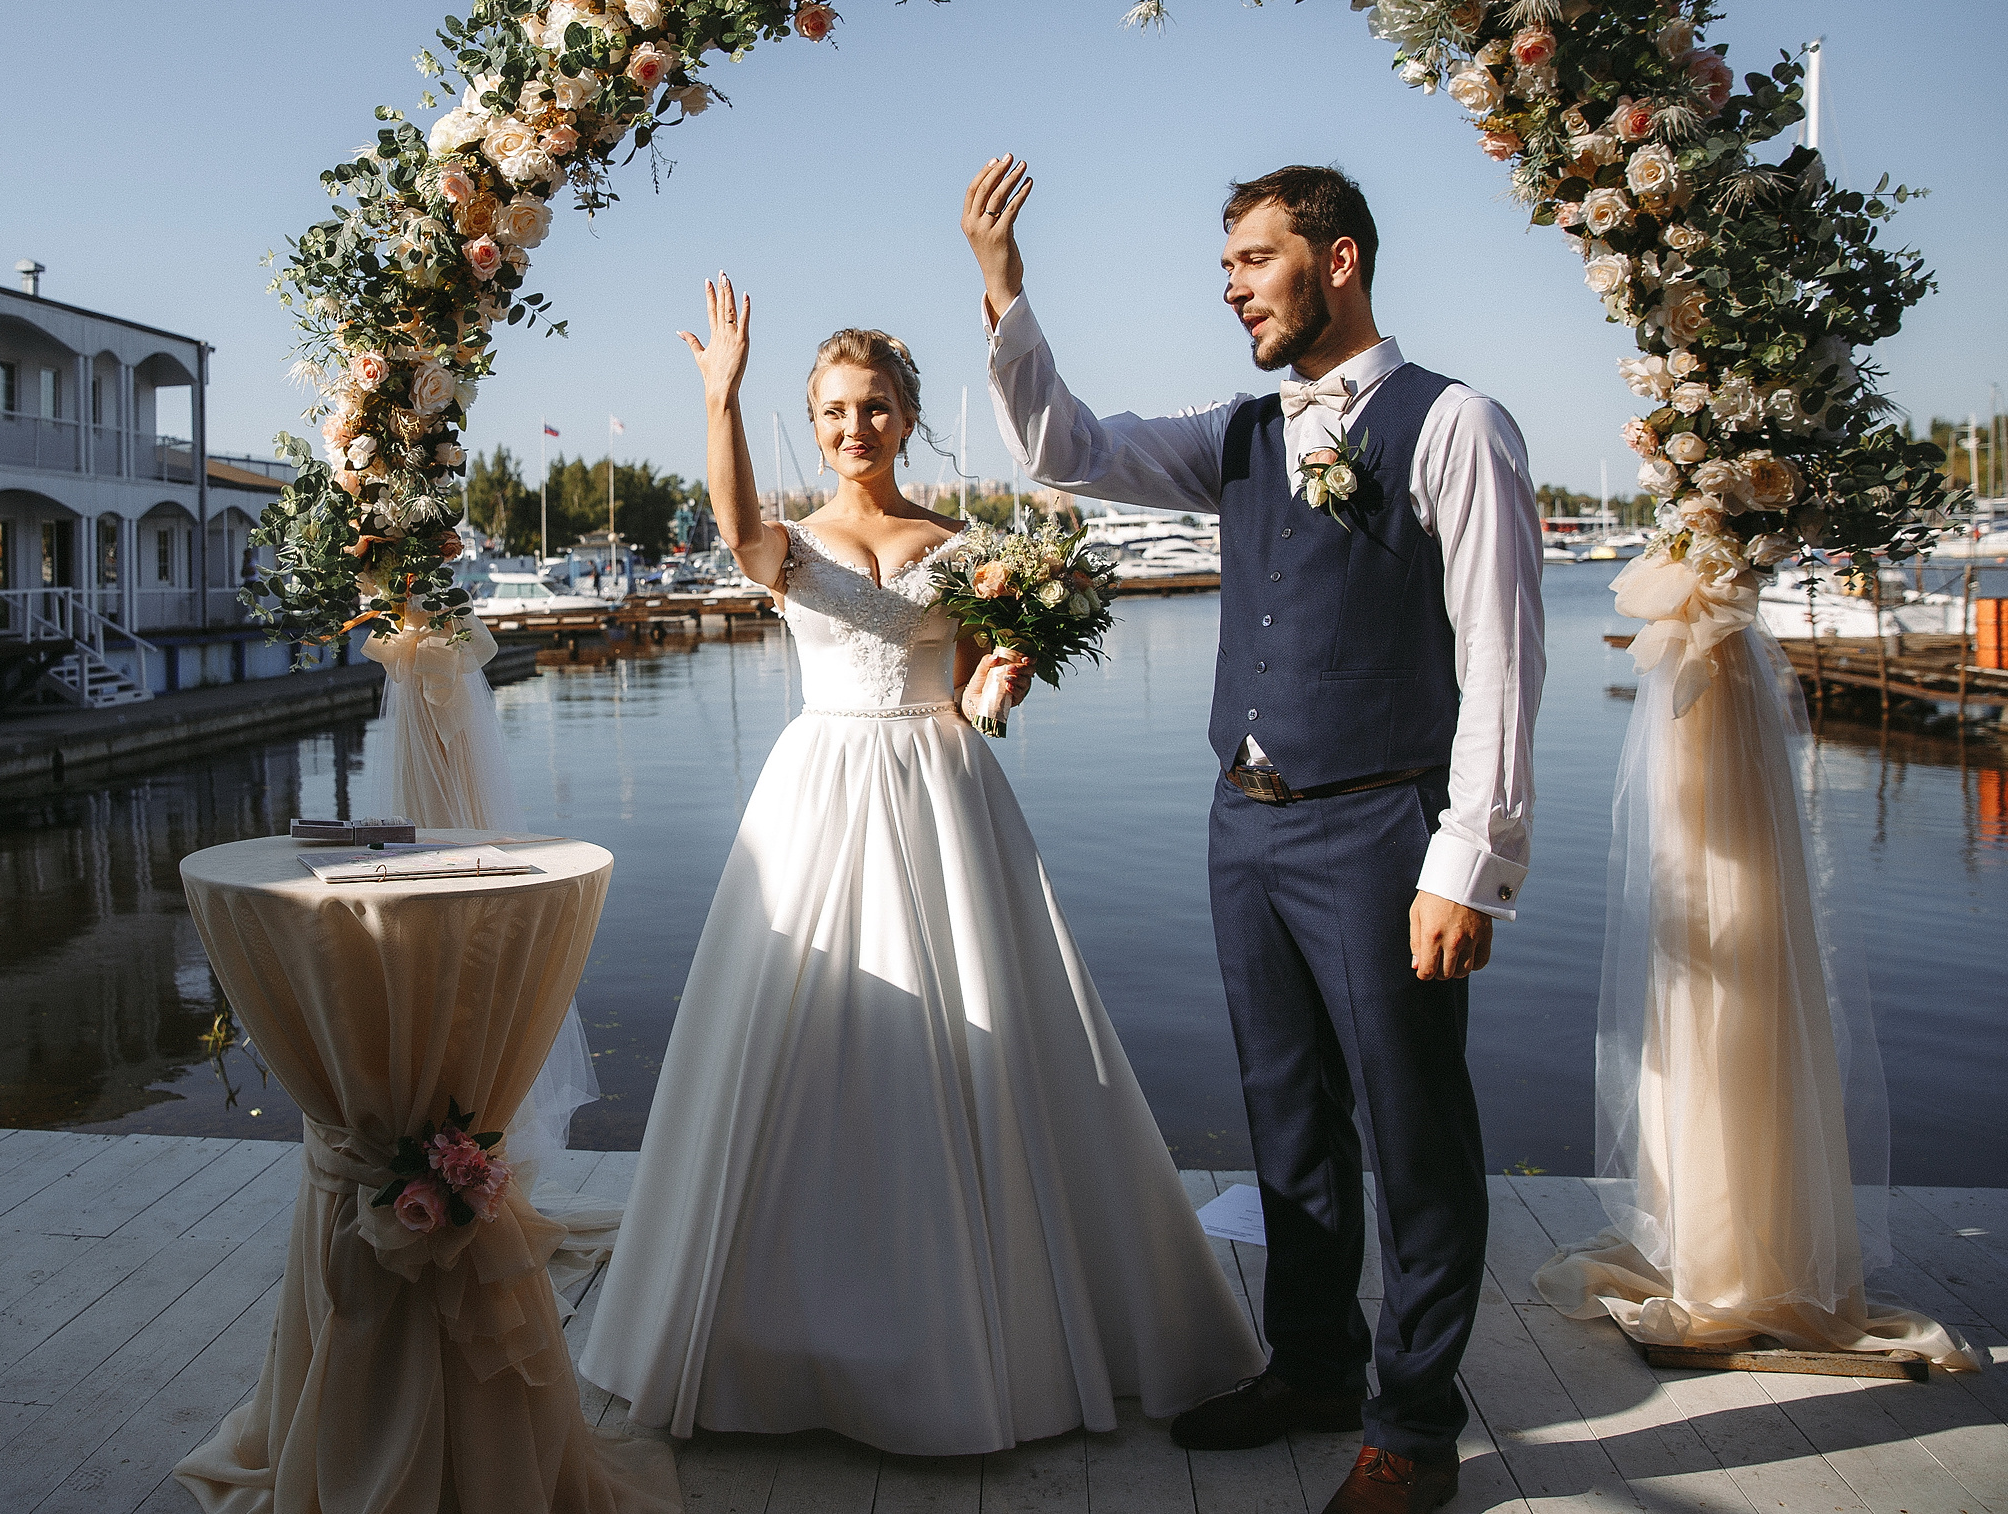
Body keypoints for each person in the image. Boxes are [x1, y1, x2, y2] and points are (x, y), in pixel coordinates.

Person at [578, 274, 1263, 1456]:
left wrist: (1002, 681)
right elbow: (735, 523)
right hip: (817, 793)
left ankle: (995, 1334)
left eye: (875, 406)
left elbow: (990, 687)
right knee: (796, 1038)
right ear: (817, 419)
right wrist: (720, 400)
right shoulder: (788, 547)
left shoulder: (966, 547)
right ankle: (770, 1338)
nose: (855, 427)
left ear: (906, 415)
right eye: (835, 409)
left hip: (944, 790)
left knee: (984, 1030)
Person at [965, 159, 1543, 1514]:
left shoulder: (1454, 421)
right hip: (1248, 823)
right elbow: (1068, 448)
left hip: (1385, 826)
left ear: (1339, 259)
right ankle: (1315, 1364)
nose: (1231, 289)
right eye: (1225, 266)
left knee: (1417, 1134)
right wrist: (1005, 290)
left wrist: (1470, 859)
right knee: (1288, 1120)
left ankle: (1411, 1429)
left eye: (1254, 261)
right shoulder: (1238, 430)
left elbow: (1506, 658)